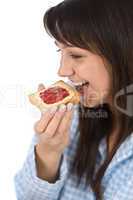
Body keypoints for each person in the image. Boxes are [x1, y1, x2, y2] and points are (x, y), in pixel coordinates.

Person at [14, 0, 133, 199]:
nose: (62, 71)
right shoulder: (73, 120)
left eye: (76, 55)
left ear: (124, 52)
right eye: (60, 51)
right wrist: (48, 153)